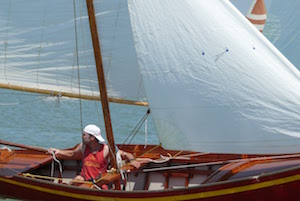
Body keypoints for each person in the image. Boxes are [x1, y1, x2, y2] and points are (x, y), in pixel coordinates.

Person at [48, 124, 140, 185]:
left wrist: (133, 161)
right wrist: (58, 151)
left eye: (84, 135)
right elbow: (73, 154)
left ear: (92, 137)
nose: (82, 137)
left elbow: (127, 155)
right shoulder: (83, 147)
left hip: (99, 183)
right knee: (78, 179)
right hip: (83, 180)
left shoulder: (106, 149)